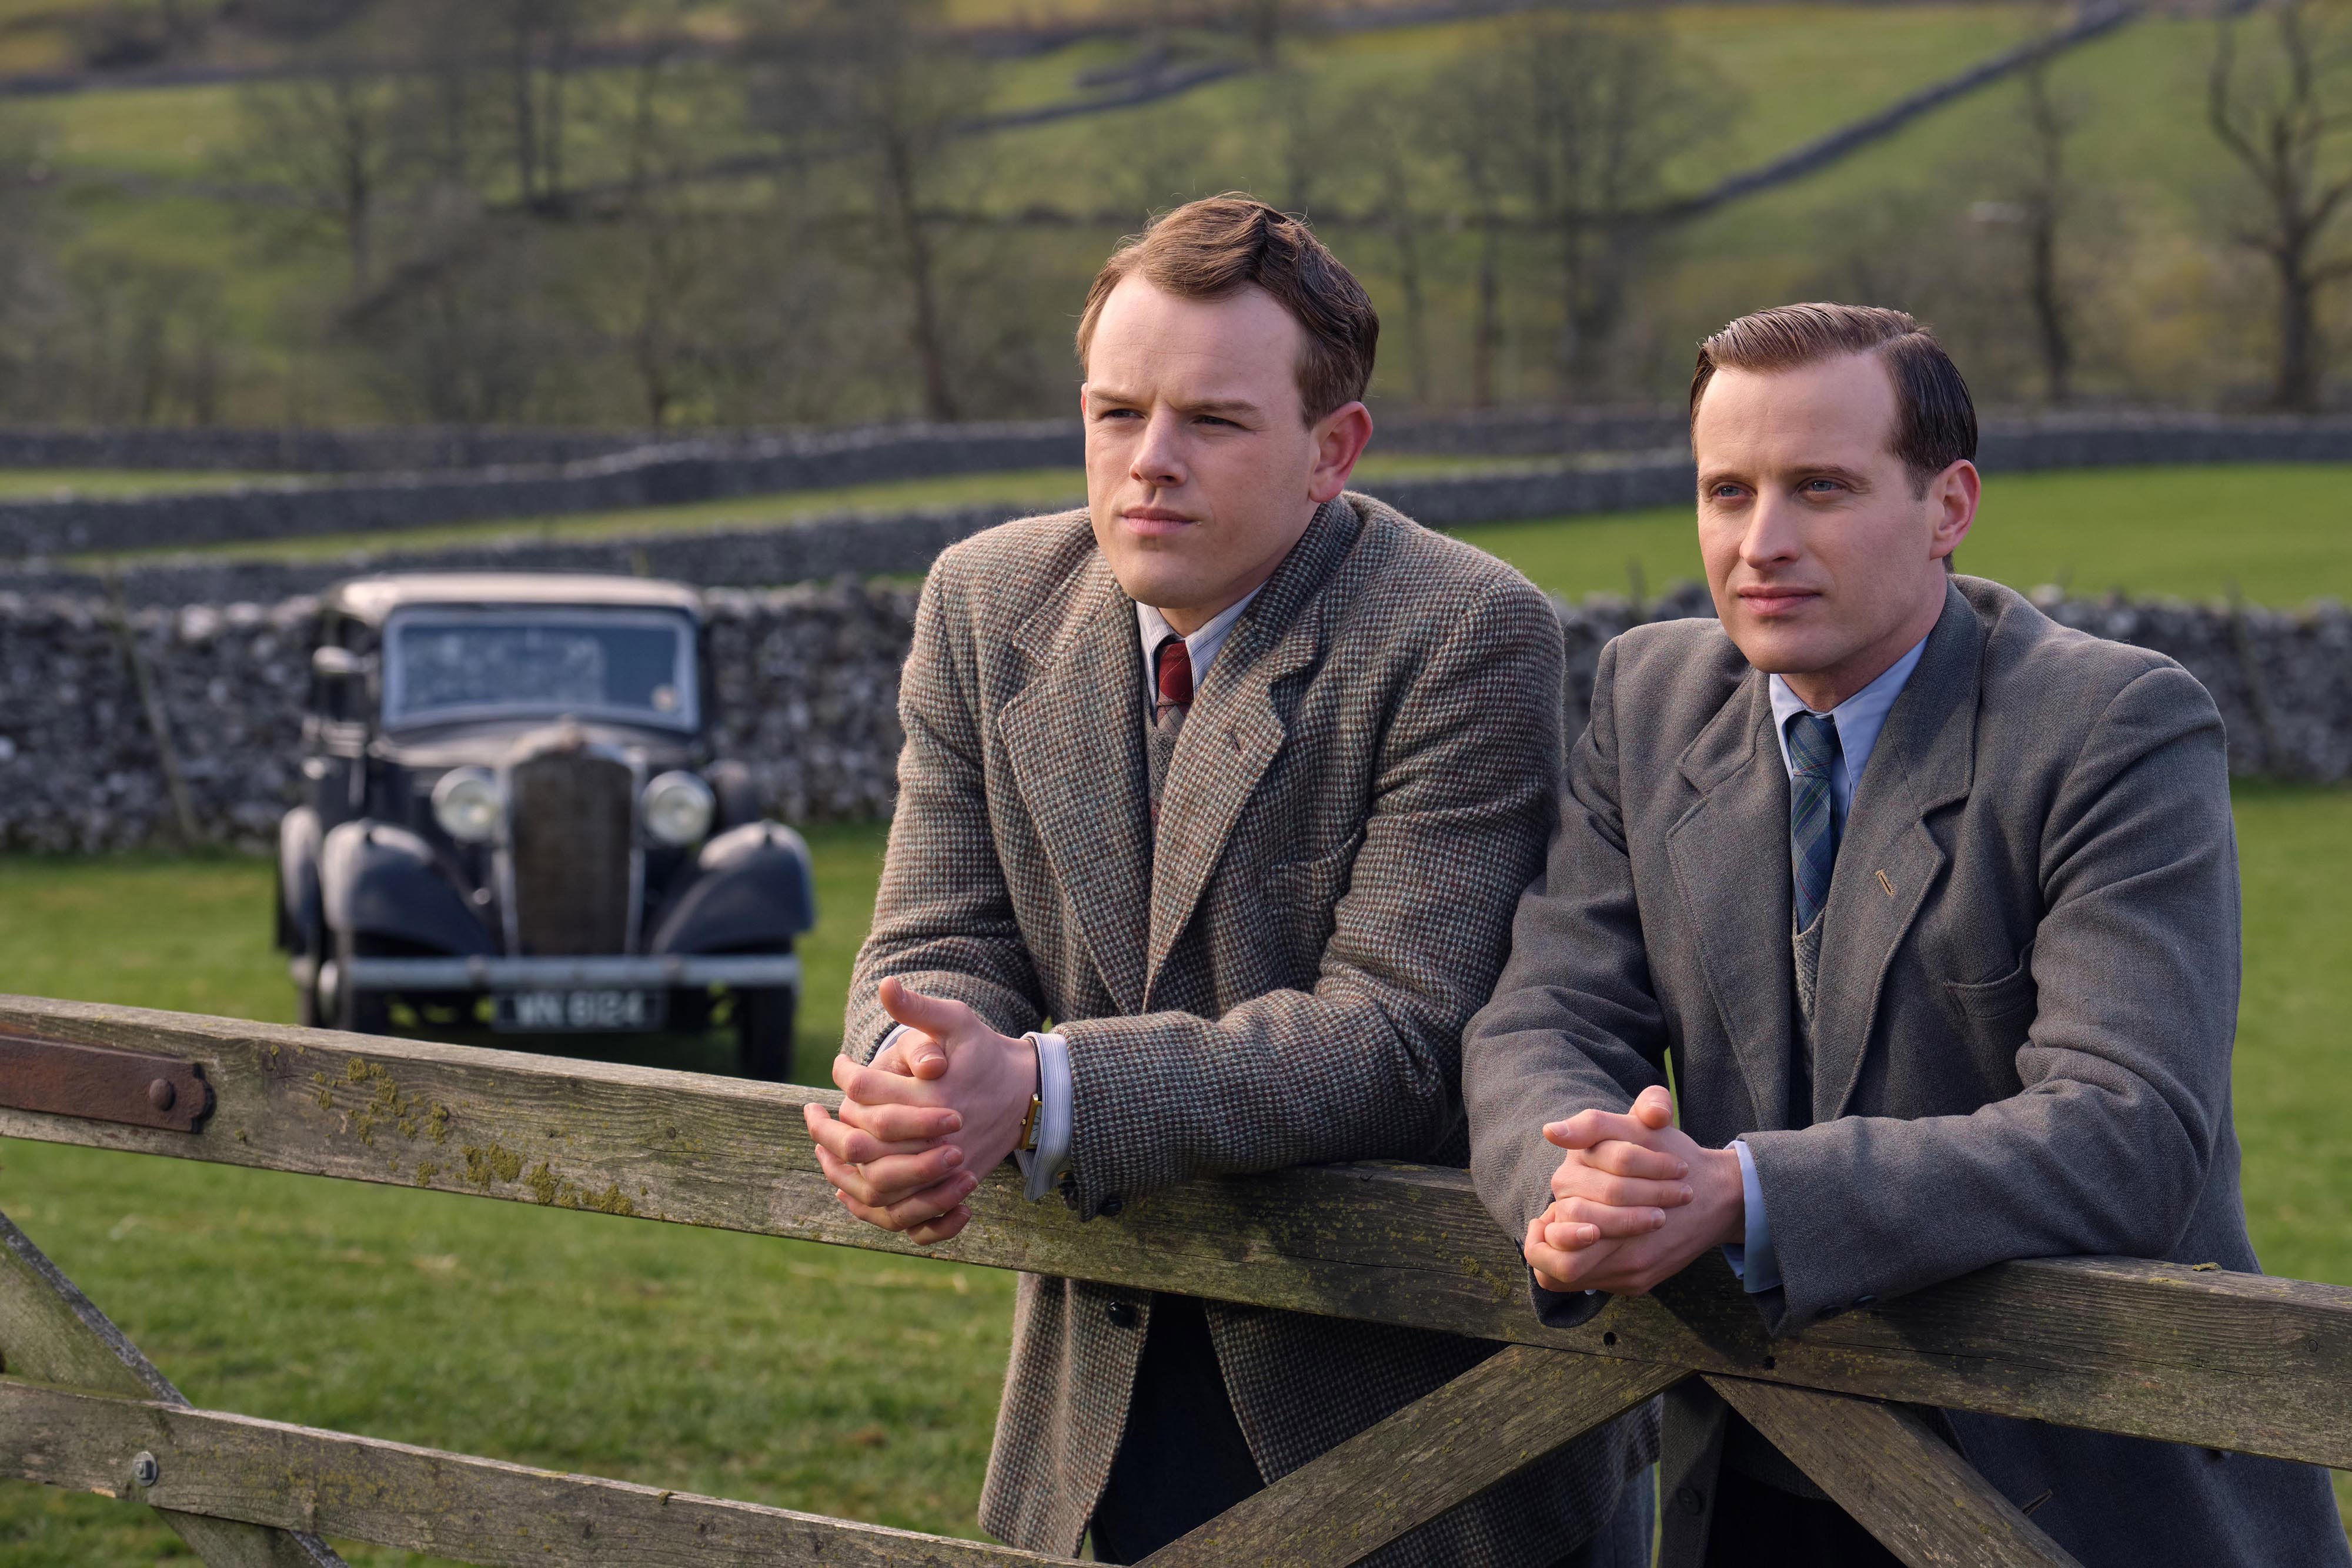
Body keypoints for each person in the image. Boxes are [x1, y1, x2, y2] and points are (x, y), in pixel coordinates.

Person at [799, 195, 1658, 1566]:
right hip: (1090, 1423)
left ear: (1333, 449)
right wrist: (914, 1069)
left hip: (1408, 1439)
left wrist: (1036, 1084)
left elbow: (1397, 1034)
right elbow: (934, 929)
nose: (1148, 463)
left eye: (1210, 420)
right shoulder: (984, 599)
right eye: (1113, 412)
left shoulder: (1456, 631)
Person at [1461, 302, 2352, 1568]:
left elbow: (2126, 1129)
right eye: (1726, 490)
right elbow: (1544, 1012)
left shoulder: (2109, 727)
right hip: (1751, 1480)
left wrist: (1741, 1194)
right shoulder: (1649, 696)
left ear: (1948, 505)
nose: (1759, 542)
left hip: (2071, 1487)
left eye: (1819, 487)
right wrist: (1574, 1180)